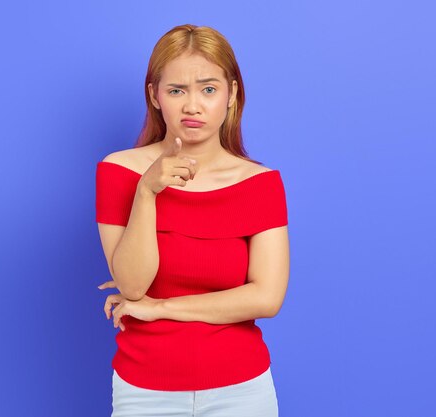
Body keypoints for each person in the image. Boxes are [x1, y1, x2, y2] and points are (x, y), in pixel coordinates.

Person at [95, 23, 289, 417]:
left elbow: (267, 298)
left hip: (242, 391)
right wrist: (147, 192)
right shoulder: (118, 172)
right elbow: (133, 286)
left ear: (232, 94)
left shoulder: (261, 184)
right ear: (155, 96)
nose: (193, 106)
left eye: (209, 89)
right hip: (144, 390)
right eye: (176, 90)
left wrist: (162, 308)